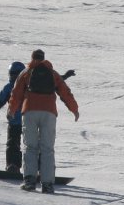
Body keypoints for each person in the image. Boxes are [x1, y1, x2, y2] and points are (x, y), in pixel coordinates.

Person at [8, 49, 79, 193]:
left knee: (30, 147)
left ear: (32, 57)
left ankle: (29, 181)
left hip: (29, 112)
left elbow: (16, 93)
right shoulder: (53, 73)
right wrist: (74, 109)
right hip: (49, 113)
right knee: (47, 148)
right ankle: (47, 184)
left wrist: (11, 109)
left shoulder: (26, 72)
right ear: (44, 58)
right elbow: (65, 92)